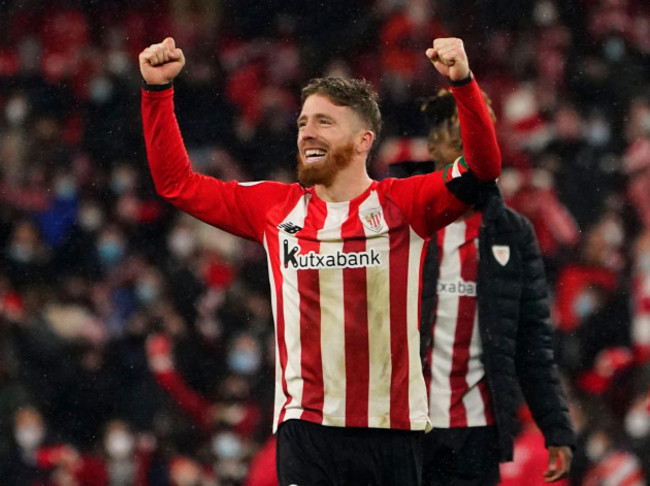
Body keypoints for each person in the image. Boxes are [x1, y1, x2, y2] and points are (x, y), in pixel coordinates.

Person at [139, 36, 501, 485]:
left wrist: (463, 84)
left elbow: (484, 167)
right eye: (303, 122)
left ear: (363, 140)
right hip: (305, 431)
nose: (307, 132)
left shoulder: (403, 203)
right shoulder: (274, 208)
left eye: (324, 122)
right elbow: (177, 184)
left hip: (390, 431)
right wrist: (158, 93)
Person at [388, 89, 576, 485]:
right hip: (403, 428)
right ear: (435, 145)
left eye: (480, 132)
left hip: (477, 435)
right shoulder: (398, 223)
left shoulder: (513, 233)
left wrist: (556, 428)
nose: (472, 143)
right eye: (460, 134)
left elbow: (532, 340)